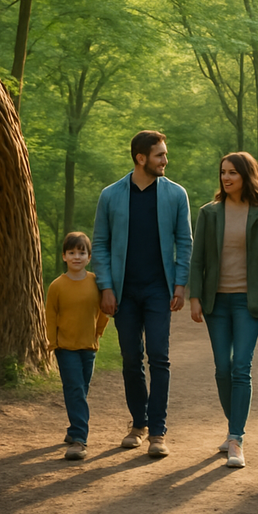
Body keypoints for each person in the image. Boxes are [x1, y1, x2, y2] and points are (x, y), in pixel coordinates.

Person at [92, 130, 192, 457]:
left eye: (164, 154)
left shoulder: (176, 195)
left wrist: (179, 284)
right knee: (131, 358)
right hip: (123, 292)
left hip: (159, 290)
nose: (166, 160)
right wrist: (106, 287)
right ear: (141, 158)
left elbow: (184, 242)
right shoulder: (110, 195)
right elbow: (101, 245)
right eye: (160, 155)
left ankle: (158, 431)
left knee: (159, 358)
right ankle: (138, 423)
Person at [189, 152, 258, 468]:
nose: (226, 178)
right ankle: (234, 428)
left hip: (249, 303)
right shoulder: (209, 213)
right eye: (222, 172)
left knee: (241, 366)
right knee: (221, 368)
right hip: (216, 303)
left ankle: (235, 439)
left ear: (246, 175)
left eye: (232, 173)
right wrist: (194, 297)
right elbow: (198, 259)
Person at [46, 231, 109, 461]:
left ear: (89, 257)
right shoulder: (56, 286)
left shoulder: (95, 282)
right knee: (74, 389)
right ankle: (80, 439)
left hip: (88, 347)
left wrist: (98, 333)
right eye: (71, 252)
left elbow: (104, 310)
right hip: (65, 347)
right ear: (64, 256)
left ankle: (73, 429)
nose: (76, 257)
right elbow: (50, 315)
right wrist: (53, 342)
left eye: (81, 252)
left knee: (81, 390)